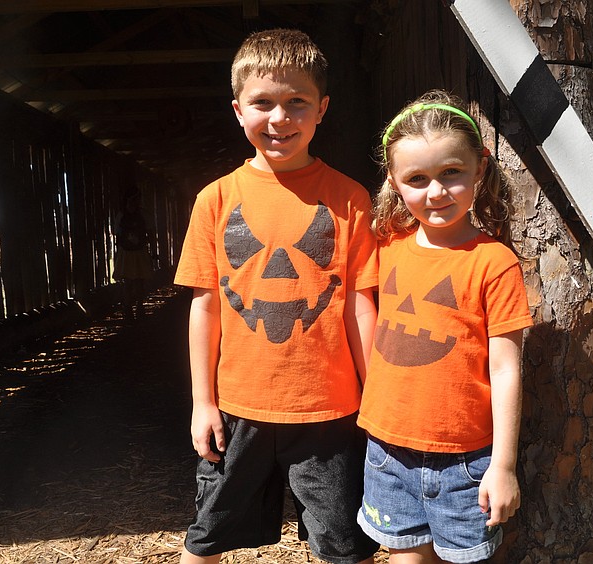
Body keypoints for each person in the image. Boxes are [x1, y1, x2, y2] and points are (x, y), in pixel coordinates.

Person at [173, 29, 380, 564]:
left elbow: (359, 305)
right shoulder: (216, 200)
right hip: (240, 407)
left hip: (331, 410)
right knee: (207, 535)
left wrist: (378, 396)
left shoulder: (349, 200)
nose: (280, 118)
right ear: (238, 110)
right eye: (263, 103)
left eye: (297, 102)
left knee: (344, 546)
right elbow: (207, 305)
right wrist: (202, 402)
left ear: (322, 109)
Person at [357, 91, 533, 563]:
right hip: (387, 451)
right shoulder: (385, 247)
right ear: (394, 182)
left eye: (450, 172)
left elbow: (506, 369)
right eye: (417, 178)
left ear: (480, 166)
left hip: (467, 462)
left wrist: (504, 465)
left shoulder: (493, 262)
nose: (435, 192)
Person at [113, 192, 153, 320]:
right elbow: (150, 232)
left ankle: (134, 308)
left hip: (130, 252)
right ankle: (132, 309)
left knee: (134, 282)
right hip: (132, 252)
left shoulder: (123, 215)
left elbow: (116, 234)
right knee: (132, 282)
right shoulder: (141, 215)